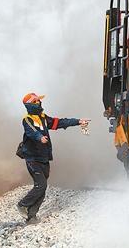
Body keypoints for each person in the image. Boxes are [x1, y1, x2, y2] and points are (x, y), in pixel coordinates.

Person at [16, 93, 88, 224]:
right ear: (30, 105)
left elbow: (59, 122)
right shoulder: (27, 120)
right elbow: (31, 132)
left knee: (42, 188)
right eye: (36, 101)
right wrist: (40, 137)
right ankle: (22, 204)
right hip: (32, 158)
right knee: (41, 185)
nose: (39, 103)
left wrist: (77, 121)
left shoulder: (43, 118)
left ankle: (31, 216)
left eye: (39, 101)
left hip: (44, 158)